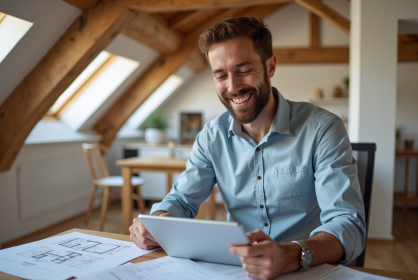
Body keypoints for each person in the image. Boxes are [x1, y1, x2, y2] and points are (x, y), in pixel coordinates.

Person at [129, 17, 365, 280]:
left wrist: (292, 254)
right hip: (239, 272)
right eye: (221, 75)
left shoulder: (323, 129)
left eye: (243, 70)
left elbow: (349, 226)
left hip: (309, 270)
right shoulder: (211, 137)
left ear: (270, 66)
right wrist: (157, 221)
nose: (232, 87)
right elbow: (182, 200)